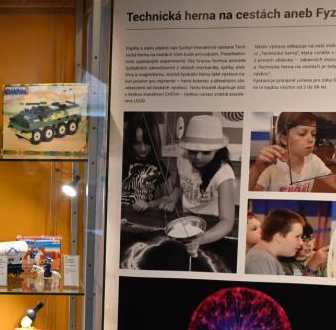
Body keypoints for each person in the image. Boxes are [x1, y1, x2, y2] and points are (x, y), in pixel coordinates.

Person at [163, 114, 237, 255]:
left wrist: (202, 239)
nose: (198, 157)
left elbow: (227, 221)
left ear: (217, 150)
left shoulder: (224, 173)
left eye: (206, 152)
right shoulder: (183, 158)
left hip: (212, 227)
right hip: (185, 221)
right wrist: (172, 198)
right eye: (193, 151)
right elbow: (179, 185)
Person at [250, 112, 336, 193]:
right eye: (302, 134)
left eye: (313, 134)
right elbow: (251, 193)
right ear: (284, 139)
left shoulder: (314, 161)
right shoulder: (271, 164)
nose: (311, 139)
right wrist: (256, 170)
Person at [120, 112, 165, 211]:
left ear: (154, 141)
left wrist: (149, 204)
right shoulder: (121, 162)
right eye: (137, 143)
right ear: (130, 142)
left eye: (148, 143)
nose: (143, 148)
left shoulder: (159, 165)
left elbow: (168, 198)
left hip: (144, 217)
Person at [245, 209, 306, 275]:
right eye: (297, 236)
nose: (301, 242)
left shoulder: (266, 259)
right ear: (279, 236)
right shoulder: (259, 261)